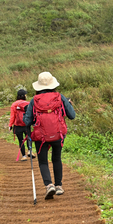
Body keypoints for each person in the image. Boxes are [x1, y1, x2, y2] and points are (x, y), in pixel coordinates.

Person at [24, 71, 75, 200]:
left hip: (41, 137)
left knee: (43, 161)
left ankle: (49, 185)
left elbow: (27, 121)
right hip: (58, 134)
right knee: (56, 159)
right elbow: (72, 115)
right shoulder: (60, 97)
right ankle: (58, 186)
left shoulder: (34, 101)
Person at [9, 88, 34, 161]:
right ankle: (30, 151)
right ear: (24, 96)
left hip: (17, 125)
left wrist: (10, 125)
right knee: (29, 137)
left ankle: (24, 156)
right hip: (26, 125)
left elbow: (12, 116)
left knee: (21, 140)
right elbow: (31, 114)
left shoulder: (14, 104)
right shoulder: (28, 103)